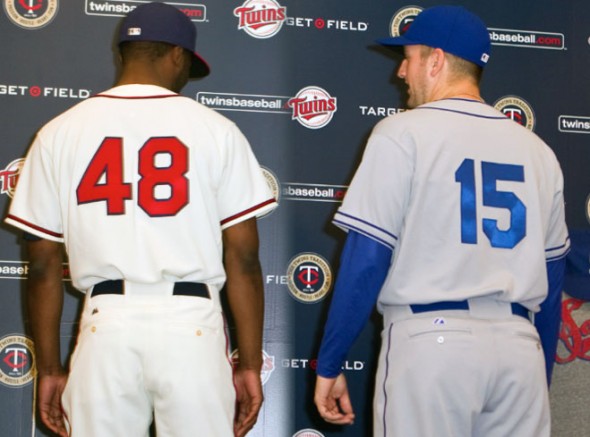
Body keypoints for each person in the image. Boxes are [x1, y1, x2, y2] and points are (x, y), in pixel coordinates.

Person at [5, 2, 277, 436]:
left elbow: (40, 267)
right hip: (191, 324)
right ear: (176, 55)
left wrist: (51, 369)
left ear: (123, 54)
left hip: (106, 325)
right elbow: (243, 259)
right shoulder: (216, 130)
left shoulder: (59, 132)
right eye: (188, 65)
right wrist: (248, 362)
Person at [313, 5, 569, 437]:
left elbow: (366, 258)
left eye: (408, 57)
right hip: (518, 348)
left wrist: (330, 361)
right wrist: (536, 375)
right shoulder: (538, 152)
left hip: (432, 343)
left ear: (435, 60)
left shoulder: (403, 132)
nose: (401, 72)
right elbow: (553, 279)